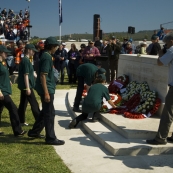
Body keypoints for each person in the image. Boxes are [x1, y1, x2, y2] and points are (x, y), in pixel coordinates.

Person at [27, 37, 65, 145]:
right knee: (49, 113)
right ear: (52, 47)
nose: (57, 48)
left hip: (47, 87)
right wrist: (47, 93)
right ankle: (50, 138)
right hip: (46, 89)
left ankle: (34, 132)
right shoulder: (47, 57)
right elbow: (43, 76)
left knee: (45, 112)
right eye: (56, 46)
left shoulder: (46, 56)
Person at [146, 32, 173, 145]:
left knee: (168, 112)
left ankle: (161, 138)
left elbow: (160, 63)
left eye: (166, 43)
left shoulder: (172, 50)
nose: (166, 45)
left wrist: (161, 54)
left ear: (171, 41)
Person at [0, 45, 26, 136]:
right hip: (2, 91)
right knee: (13, 109)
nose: (7, 54)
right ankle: (17, 131)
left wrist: (9, 81)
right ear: (1, 53)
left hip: (5, 89)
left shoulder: (3, 62)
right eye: (5, 53)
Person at [17, 44, 40, 126]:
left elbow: (32, 73)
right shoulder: (26, 61)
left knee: (23, 104)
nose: (34, 52)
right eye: (33, 50)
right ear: (29, 50)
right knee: (34, 104)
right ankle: (39, 121)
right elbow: (25, 75)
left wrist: (39, 78)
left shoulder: (27, 59)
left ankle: (21, 120)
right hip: (26, 86)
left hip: (24, 86)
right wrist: (28, 88)